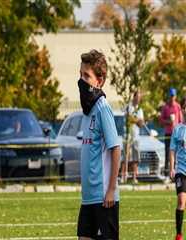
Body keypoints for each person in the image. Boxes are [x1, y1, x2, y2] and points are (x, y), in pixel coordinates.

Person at [77, 50, 120, 240]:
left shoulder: (103, 107)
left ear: (99, 81)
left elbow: (115, 148)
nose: (81, 80)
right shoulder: (87, 112)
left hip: (104, 199)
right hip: (88, 198)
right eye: (80, 75)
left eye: (87, 76)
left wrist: (111, 189)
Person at [121, 91, 144, 184]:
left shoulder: (140, 110)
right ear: (134, 97)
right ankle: (123, 177)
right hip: (127, 136)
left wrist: (136, 120)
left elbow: (141, 123)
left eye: (140, 97)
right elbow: (128, 118)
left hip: (136, 136)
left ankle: (134, 178)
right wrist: (136, 120)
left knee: (135, 158)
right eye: (137, 97)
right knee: (125, 157)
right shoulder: (128, 107)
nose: (138, 99)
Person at [160, 88, 183, 179]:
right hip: (168, 134)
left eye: (173, 96)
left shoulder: (178, 106)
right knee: (168, 154)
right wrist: (168, 121)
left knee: (178, 154)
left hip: (177, 134)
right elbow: (161, 120)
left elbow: (181, 120)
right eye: (171, 95)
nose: (172, 97)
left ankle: (177, 174)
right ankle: (167, 175)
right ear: (169, 96)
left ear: (175, 96)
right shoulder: (165, 107)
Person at [169, 118, 186, 240]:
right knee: (181, 201)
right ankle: (179, 234)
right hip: (181, 170)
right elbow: (172, 150)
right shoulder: (177, 129)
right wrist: (172, 168)